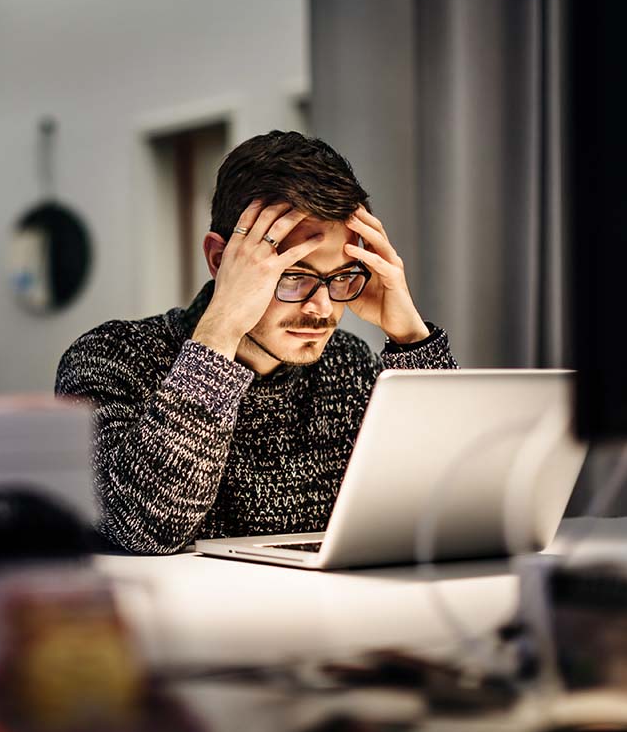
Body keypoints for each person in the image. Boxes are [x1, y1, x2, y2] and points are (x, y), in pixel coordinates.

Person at [55, 131, 457, 554]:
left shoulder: (349, 365)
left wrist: (412, 339)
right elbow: (146, 531)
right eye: (294, 275)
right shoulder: (110, 357)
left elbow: (450, 504)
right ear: (220, 260)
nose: (322, 307)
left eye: (340, 277)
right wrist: (221, 330)